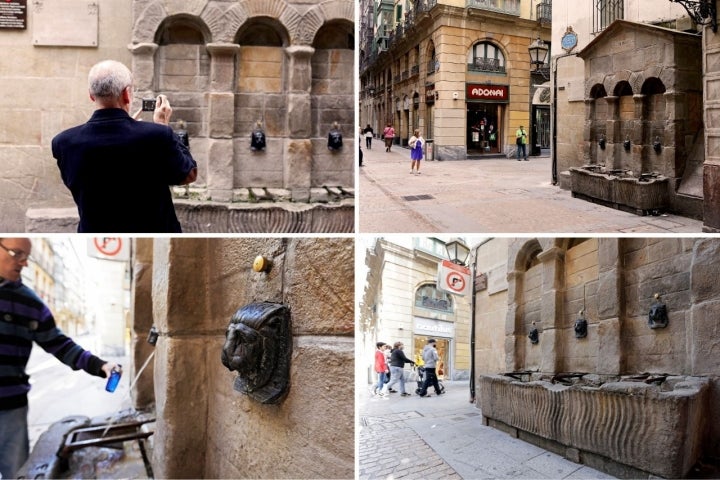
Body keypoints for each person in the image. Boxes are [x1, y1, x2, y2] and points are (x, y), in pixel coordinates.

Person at [0, 238, 119, 479]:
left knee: (16, 473)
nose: (23, 262)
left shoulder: (31, 303)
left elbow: (60, 344)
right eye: (16, 253)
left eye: (26, 256)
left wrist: (101, 365)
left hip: (10, 409)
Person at [52, 60, 198, 233]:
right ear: (127, 94)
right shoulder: (157, 136)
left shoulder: (63, 142)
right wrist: (163, 128)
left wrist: (134, 133)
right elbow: (188, 174)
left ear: (91, 95)